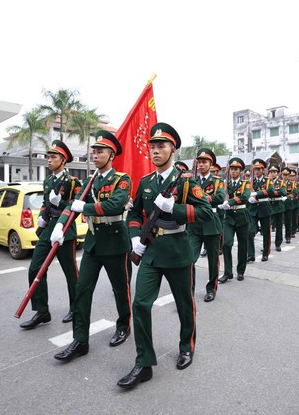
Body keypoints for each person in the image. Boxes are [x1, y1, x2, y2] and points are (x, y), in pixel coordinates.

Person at [117, 123, 213, 389]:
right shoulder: (146, 182)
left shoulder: (186, 181)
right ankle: (144, 362)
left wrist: (175, 208)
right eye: (153, 146)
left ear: (173, 149)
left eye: (162, 146)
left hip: (178, 251)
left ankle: (186, 346)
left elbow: (206, 213)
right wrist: (135, 237)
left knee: (184, 304)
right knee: (140, 305)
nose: (156, 150)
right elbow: (135, 214)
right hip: (151, 252)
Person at [53, 131, 133, 362]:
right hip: (93, 243)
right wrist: (60, 225)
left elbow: (115, 206)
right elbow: (71, 205)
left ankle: (123, 325)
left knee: (121, 289)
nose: (95, 155)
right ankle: (80, 340)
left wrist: (84, 208)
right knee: (82, 290)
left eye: (100, 151)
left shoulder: (121, 179)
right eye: (94, 151)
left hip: (116, 241)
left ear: (111, 155)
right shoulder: (89, 182)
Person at [19, 140, 82, 330]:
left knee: (71, 273)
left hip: (65, 231)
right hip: (48, 230)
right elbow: (47, 203)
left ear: (63, 160)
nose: (49, 160)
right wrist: (42, 217)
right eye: (48, 157)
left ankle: (76, 307)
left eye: (53, 157)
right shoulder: (48, 181)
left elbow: (75, 209)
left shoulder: (73, 182)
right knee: (35, 269)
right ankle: (42, 311)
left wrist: (61, 203)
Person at [188, 148, 224, 302]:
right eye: (199, 162)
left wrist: (201, 197)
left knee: (213, 260)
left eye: (205, 162)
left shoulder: (217, 181)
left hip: (211, 224)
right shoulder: (191, 181)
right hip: (194, 225)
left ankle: (211, 289)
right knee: (189, 259)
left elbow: (220, 197)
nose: (201, 165)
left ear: (211, 164)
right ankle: (188, 294)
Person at [218, 157, 251, 283]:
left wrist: (229, 202)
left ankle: (241, 271)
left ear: (240, 170)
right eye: (231, 169)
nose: (233, 171)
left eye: (236, 169)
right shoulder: (225, 183)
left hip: (242, 217)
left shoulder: (245, 183)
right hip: (229, 217)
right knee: (227, 244)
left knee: (243, 246)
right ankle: (228, 272)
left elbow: (245, 196)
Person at [247, 159, 272, 262]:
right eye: (255, 169)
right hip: (252, 209)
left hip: (264, 208)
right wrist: (249, 198)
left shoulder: (267, 180)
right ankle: (251, 254)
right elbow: (246, 192)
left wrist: (256, 194)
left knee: (266, 232)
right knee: (249, 231)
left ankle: (265, 253)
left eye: (259, 169)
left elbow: (270, 190)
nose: (256, 171)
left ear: (263, 170)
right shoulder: (250, 181)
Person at [267, 164, 287, 252]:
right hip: (268, 206)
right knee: (267, 227)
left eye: (274, 172)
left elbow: (283, 192)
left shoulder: (281, 182)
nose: (272, 174)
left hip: (278, 206)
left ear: (278, 173)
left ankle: (278, 244)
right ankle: (266, 245)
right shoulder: (266, 182)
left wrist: (271, 192)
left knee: (279, 227)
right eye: (271, 172)